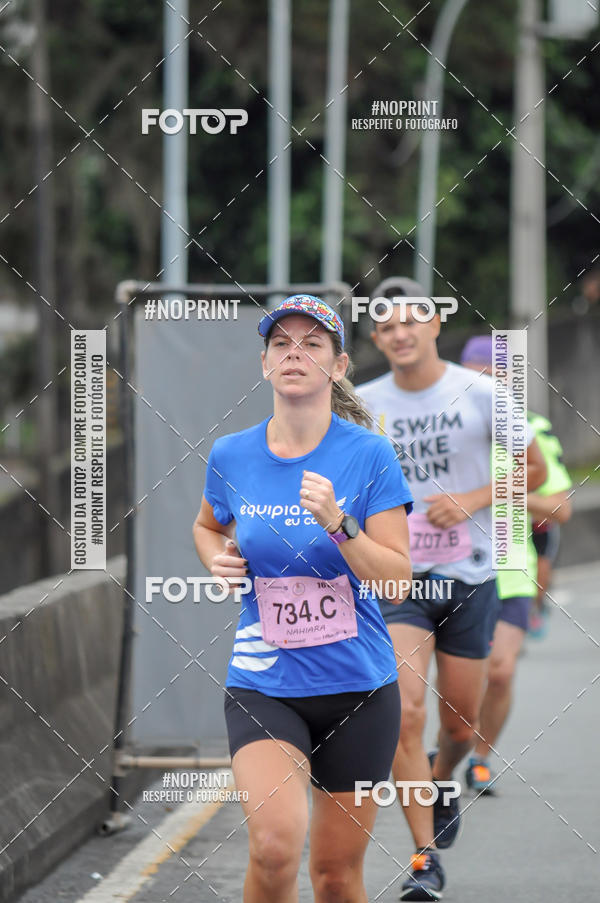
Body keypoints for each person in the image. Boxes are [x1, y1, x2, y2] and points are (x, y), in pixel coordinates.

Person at [193, 294, 413, 903]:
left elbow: (396, 580)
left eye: (312, 344)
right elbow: (208, 525)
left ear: (338, 366)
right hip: (265, 682)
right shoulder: (232, 453)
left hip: (358, 689)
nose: (295, 354)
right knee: (273, 849)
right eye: (281, 344)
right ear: (264, 363)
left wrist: (341, 524)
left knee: (337, 877)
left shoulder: (369, 455)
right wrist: (217, 559)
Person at [357, 292, 546, 901]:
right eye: (386, 325)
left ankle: (445, 776)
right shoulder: (364, 405)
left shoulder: (485, 392)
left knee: (460, 725)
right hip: (398, 581)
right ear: (377, 340)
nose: (401, 331)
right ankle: (423, 858)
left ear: (437, 323)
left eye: (414, 318)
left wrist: (475, 497)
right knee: (404, 712)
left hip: (469, 575)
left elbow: (534, 470)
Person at [459, 336, 571, 793]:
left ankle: (480, 758)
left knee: (500, 670)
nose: (487, 386)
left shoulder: (530, 429)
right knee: (455, 681)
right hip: (450, 566)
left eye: (496, 377)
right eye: (477, 376)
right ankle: (448, 748)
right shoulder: (444, 428)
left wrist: (505, 495)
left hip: (510, 564)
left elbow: (560, 509)